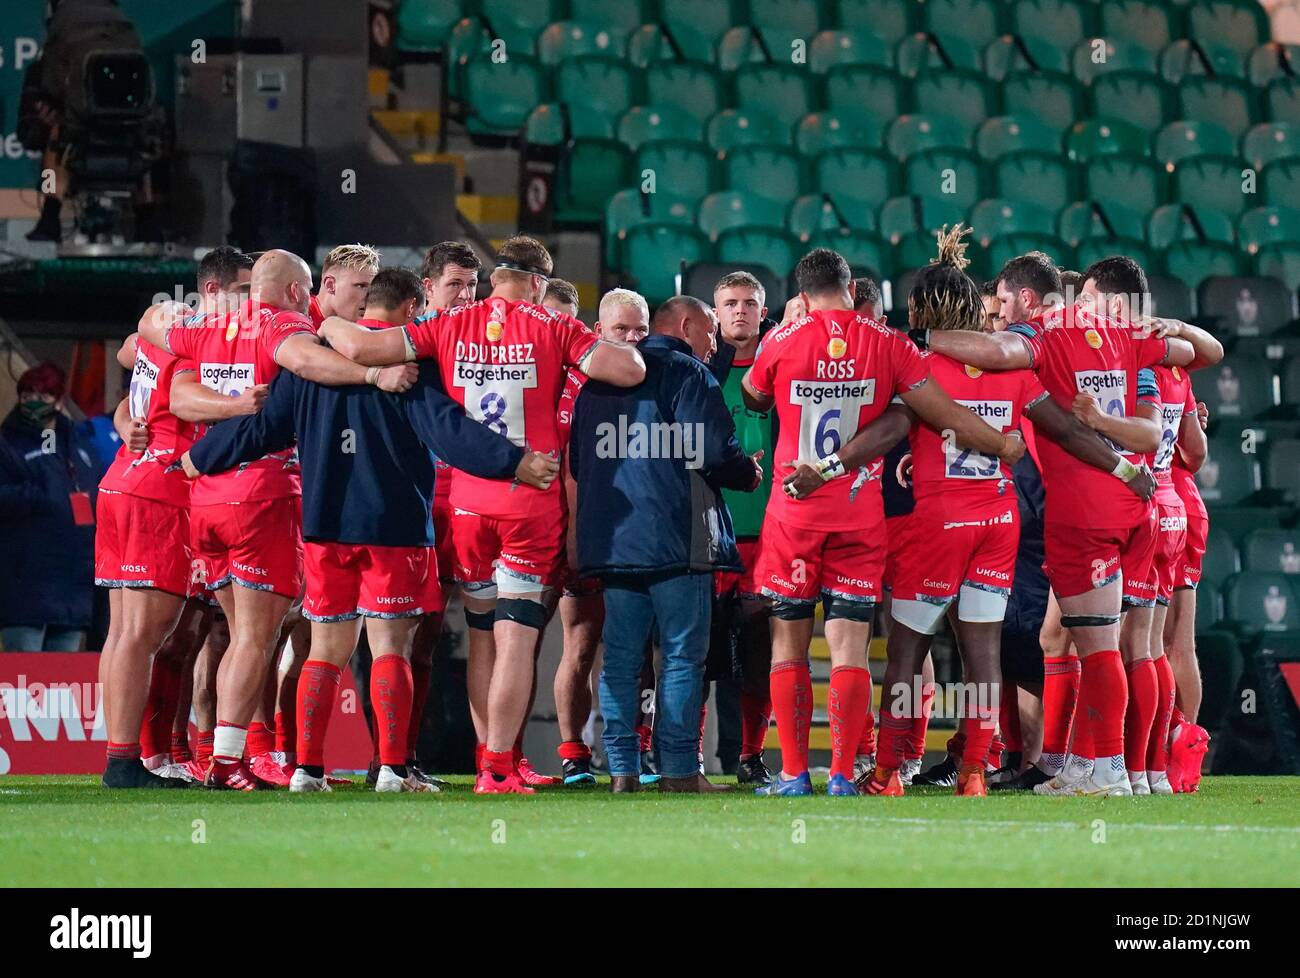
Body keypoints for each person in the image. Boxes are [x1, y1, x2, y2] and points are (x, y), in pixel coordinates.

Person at [183, 267, 557, 792]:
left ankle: (307, 771)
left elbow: (263, 430)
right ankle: (390, 770)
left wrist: (200, 455)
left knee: (325, 650)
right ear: (409, 311)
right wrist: (512, 462)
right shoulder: (408, 361)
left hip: (325, 526)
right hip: (394, 525)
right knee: (388, 650)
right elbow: (448, 432)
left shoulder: (311, 363)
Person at [831, 228, 1159, 797]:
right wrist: (1125, 468)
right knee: (983, 654)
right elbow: (1064, 427)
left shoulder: (916, 361)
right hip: (999, 523)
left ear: (920, 310)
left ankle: (886, 772)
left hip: (939, 523)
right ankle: (977, 771)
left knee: (907, 649)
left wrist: (841, 464)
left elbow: (894, 423)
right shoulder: (1011, 368)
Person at [318, 234, 646, 794]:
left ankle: (472, 759)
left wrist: (325, 323)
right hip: (529, 502)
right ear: (539, 282)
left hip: (467, 503)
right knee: (516, 638)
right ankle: (496, 765)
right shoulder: (553, 327)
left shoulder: (448, 325)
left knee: (479, 636)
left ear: (495, 278)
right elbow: (629, 370)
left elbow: (367, 349)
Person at [919, 253, 1211, 796]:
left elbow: (997, 349)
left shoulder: (1048, 333)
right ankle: (1102, 767)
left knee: (1099, 647)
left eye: (1005, 300)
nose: (999, 311)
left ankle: (1108, 772)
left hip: (1084, 509)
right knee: (1123, 645)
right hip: (1136, 500)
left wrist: (921, 336)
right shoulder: (1120, 332)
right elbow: (1192, 352)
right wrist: (1172, 328)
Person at [743, 247, 1025, 797]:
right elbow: (934, 413)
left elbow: (753, 395)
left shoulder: (781, 338)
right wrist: (1001, 444)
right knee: (851, 650)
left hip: (795, 513)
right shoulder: (892, 344)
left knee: (789, 648)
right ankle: (848, 774)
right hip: (860, 513)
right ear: (852, 289)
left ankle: (798, 774)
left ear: (801, 295)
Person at [135, 249, 417, 789]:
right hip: (260, 495)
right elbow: (308, 363)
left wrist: (215, 412)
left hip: (206, 499)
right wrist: (375, 375)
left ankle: (227, 752)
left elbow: (152, 342)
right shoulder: (282, 323)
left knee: (234, 635)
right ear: (297, 292)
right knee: (254, 641)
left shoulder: (210, 323)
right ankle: (228, 760)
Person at [569, 295, 761, 793]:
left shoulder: (596, 382)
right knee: (679, 655)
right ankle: (678, 771)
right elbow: (715, 449)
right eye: (709, 334)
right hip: (678, 539)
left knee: (621, 660)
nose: (712, 344)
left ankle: (622, 770)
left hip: (614, 540)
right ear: (688, 326)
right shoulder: (685, 373)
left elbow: (579, 464)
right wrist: (748, 473)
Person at [106, 246, 255, 784]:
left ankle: (133, 755)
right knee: (142, 634)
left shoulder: (163, 328)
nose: (251, 301)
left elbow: (129, 357)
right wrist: (243, 405)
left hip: (125, 480)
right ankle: (125, 761)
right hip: (160, 489)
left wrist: (126, 419)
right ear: (211, 291)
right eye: (243, 290)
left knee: (129, 632)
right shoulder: (195, 337)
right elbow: (185, 401)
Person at [552, 288, 650, 784]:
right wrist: (572, 538)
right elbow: (569, 471)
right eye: (621, 331)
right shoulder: (573, 386)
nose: (632, 340)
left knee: (639, 648)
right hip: (585, 533)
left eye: (639, 332)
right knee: (583, 641)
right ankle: (574, 754)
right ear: (597, 332)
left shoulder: (654, 380)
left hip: (640, 536)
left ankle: (637, 753)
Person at [707, 271, 778, 784]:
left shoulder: (785, 365)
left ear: (762, 310)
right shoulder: (699, 371)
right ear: (715, 313)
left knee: (760, 654)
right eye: (730, 303)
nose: (739, 312)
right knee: (695, 652)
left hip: (771, 534)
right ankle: (683, 756)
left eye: (749, 303)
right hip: (708, 534)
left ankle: (750, 755)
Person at [0, 362, 98, 652]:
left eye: (43, 395)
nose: (33, 402)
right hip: (26, 585)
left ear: (59, 400)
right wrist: (37, 497)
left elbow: (85, 487)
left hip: (73, 587)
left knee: (63, 681)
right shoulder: (8, 443)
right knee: (24, 680)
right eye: (27, 394)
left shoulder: (73, 442)